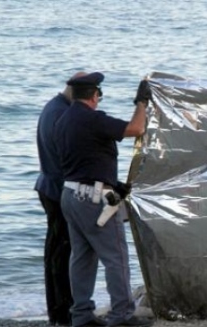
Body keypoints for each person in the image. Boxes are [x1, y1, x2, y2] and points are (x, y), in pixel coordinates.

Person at [54, 72, 153, 327]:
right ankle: (121, 315)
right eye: (99, 94)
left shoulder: (63, 120)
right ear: (94, 96)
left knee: (82, 257)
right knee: (116, 257)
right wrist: (141, 103)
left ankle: (82, 315)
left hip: (70, 194)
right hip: (93, 198)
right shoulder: (93, 119)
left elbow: (84, 157)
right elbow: (136, 128)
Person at [35, 72, 87, 326]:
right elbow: (68, 158)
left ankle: (57, 311)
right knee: (62, 252)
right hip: (57, 190)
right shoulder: (62, 114)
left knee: (55, 251)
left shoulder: (52, 107)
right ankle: (63, 311)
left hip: (47, 185)